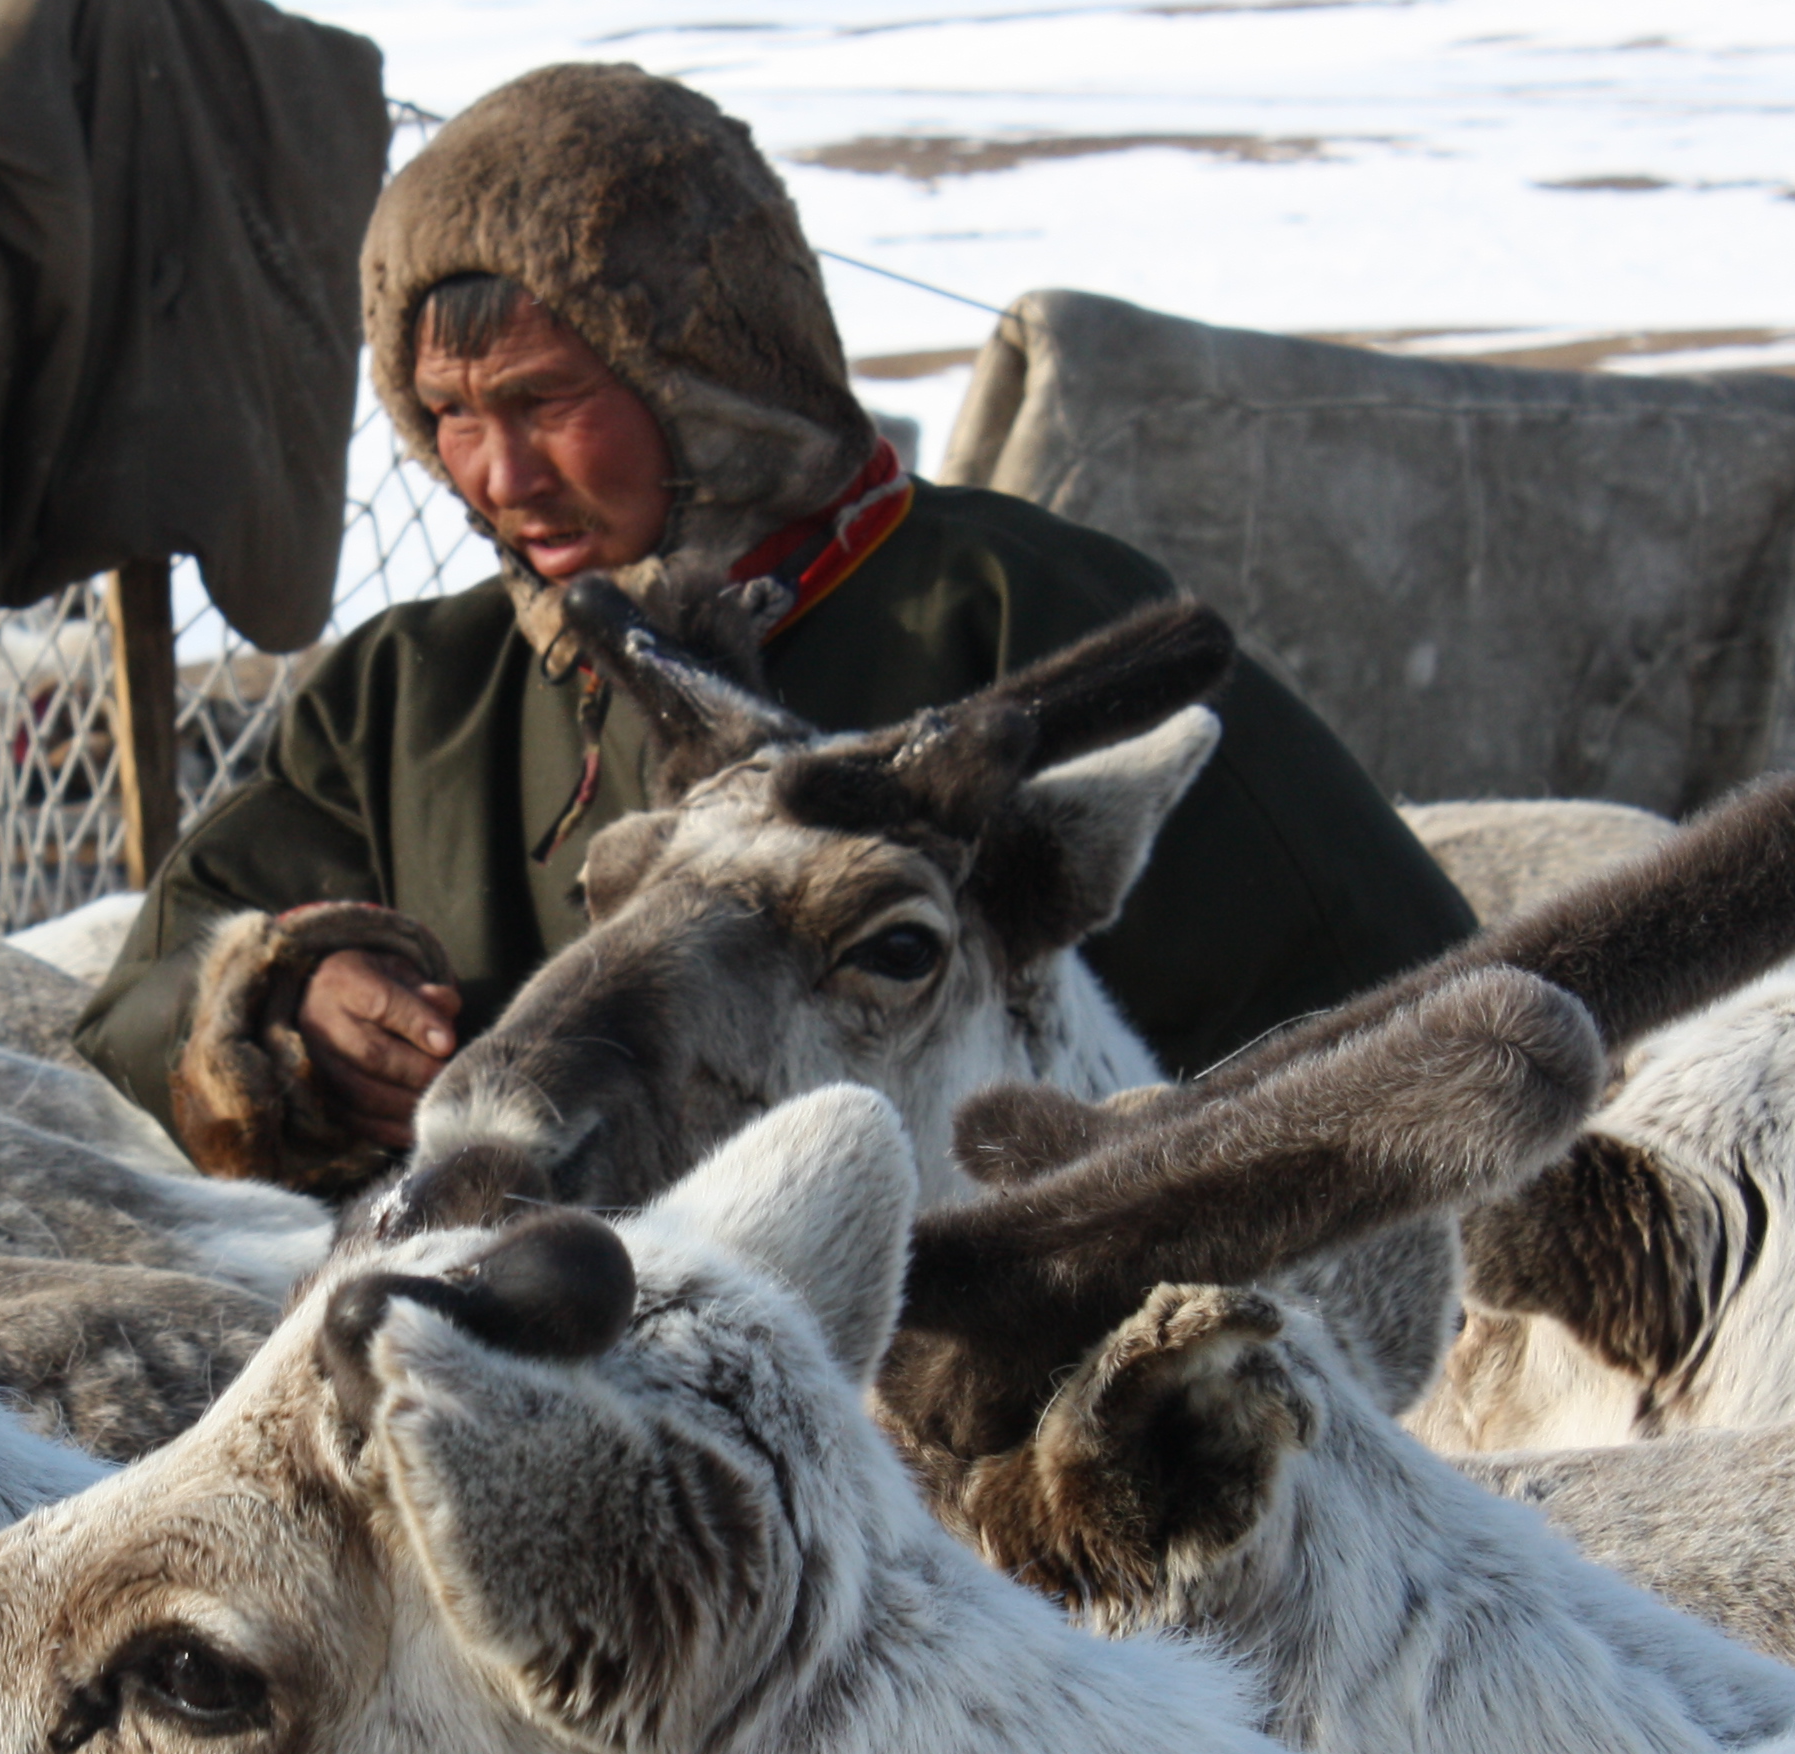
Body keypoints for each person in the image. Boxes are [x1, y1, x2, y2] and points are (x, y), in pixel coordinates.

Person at [73, 62, 1479, 1186]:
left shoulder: (1030, 628)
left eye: (545, 401)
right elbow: (157, 972)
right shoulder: (408, 696)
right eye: (448, 417)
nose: (494, 478)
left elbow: (1401, 1010)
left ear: (707, 370)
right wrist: (284, 1007)